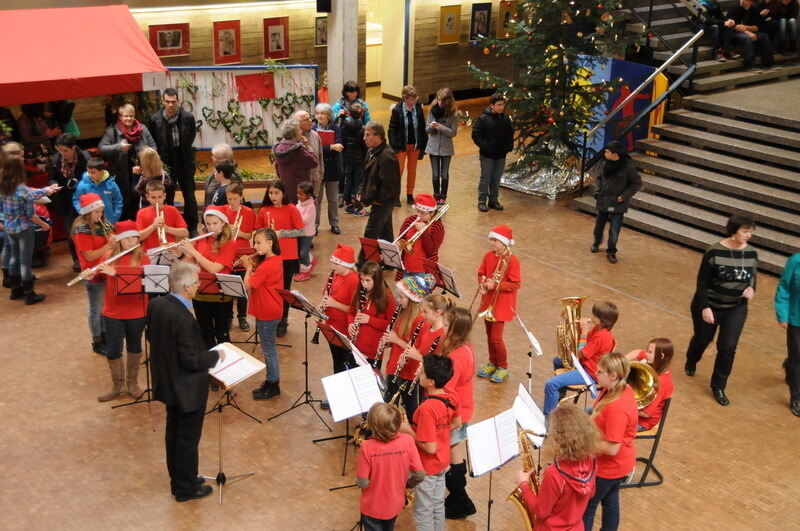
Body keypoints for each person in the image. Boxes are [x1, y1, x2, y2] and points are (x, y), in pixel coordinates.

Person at [147, 261, 220, 502]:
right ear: (187, 287)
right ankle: (186, 489)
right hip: (187, 388)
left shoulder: (157, 304)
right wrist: (215, 355)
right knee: (187, 440)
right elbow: (191, 360)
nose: (199, 285)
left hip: (168, 383)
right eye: (197, 282)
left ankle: (181, 478)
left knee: (174, 434)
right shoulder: (184, 319)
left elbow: (152, 336)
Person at [685, 213, 758, 406]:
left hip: (736, 309)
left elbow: (751, 278)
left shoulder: (751, 253)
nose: (748, 235)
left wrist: (751, 288)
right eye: (745, 231)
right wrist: (705, 307)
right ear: (733, 231)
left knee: (728, 347)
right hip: (710, 305)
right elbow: (702, 283)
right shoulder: (714, 252)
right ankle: (692, 359)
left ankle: (718, 386)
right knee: (703, 339)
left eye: (751, 232)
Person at [399, 354, 460, 531]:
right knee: (437, 504)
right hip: (443, 461)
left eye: (422, 372)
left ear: (431, 381)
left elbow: (430, 447)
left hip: (428, 466)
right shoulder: (451, 395)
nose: (419, 374)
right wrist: (438, 432)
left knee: (423, 511)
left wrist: (407, 429)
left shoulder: (426, 409)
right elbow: (456, 423)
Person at [517, 404, 599, 531]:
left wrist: (524, 484)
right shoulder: (591, 462)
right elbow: (591, 493)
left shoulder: (554, 473)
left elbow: (541, 511)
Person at [582, 353, 638, 531]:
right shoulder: (616, 388)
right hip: (619, 464)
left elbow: (613, 448)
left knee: (587, 508)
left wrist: (581, 443)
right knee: (611, 502)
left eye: (600, 372)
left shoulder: (617, 408)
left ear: (613, 375)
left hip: (610, 466)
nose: (595, 374)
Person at [96, 220, 149, 402]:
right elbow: (100, 277)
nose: (133, 241)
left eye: (135, 237)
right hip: (112, 312)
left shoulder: (143, 257)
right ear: (120, 240)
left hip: (136, 311)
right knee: (113, 349)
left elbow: (144, 283)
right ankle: (116, 386)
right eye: (128, 238)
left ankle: (132, 383)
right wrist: (92, 275)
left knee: (134, 346)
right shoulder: (108, 256)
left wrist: (116, 274)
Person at [356, 402, 425, 531]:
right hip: (394, 503)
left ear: (372, 425)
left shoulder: (367, 447)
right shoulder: (408, 441)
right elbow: (420, 474)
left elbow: (362, 482)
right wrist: (406, 485)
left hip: (372, 506)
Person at [543, 301, 619, 416]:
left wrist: (583, 332)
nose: (591, 317)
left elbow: (582, 353)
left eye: (594, 315)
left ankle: (548, 418)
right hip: (585, 365)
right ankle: (559, 396)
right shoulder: (598, 329)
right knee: (558, 361)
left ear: (603, 320)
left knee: (551, 384)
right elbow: (583, 341)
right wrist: (576, 328)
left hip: (589, 373)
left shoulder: (602, 337)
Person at [0, 155, 59, 304]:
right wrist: (43, 224)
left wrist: (46, 190)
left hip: (9, 228)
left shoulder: (3, 187)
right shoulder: (21, 189)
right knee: (25, 261)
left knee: (14, 257)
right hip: (24, 229)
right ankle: (29, 293)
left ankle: (15, 290)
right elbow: (30, 209)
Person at [438, 306, 477, 520]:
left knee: (451, 453)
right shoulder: (466, 347)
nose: (442, 329)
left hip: (455, 413)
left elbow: (448, 390)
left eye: (445, 326)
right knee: (454, 450)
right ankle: (458, 497)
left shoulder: (456, 356)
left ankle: (461, 499)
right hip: (464, 408)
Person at [383, 273, 437, 420]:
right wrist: (388, 341)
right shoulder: (402, 312)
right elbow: (396, 338)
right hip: (394, 365)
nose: (398, 300)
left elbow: (417, 350)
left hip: (409, 371)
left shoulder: (421, 320)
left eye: (401, 297)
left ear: (413, 300)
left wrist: (396, 339)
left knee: (410, 407)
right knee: (388, 403)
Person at [181, 208, 237, 348]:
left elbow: (214, 269)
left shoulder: (230, 243)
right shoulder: (201, 240)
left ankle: (226, 365)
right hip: (200, 293)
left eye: (215, 223)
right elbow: (188, 262)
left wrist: (193, 251)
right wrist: (178, 254)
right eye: (208, 223)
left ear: (223, 223)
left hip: (220, 295)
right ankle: (210, 365)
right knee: (204, 333)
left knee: (222, 334)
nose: (211, 227)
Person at [256, 180, 305, 337]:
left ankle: (283, 320)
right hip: (269, 257)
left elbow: (301, 231)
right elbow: (258, 231)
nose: (273, 196)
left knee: (284, 291)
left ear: (283, 193)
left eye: (276, 193)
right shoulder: (264, 210)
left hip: (287, 257)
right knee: (268, 289)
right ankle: (270, 319)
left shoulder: (291, 209)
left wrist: (281, 233)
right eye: (270, 193)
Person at [475, 225, 521, 384]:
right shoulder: (488, 256)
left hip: (501, 303)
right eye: (491, 239)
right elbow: (481, 273)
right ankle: (492, 362)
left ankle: (502, 366)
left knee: (496, 338)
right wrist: (482, 283)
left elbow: (515, 284)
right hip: (488, 299)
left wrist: (496, 285)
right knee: (489, 335)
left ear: (504, 243)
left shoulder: (512, 260)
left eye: (495, 240)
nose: (492, 243)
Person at [242, 228, 283, 401]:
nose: (255, 246)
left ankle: (273, 383)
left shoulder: (268, 265)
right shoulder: (273, 259)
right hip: (268, 308)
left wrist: (248, 268)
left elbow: (248, 285)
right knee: (268, 348)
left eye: (258, 243)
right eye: (254, 242)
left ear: (270, 243)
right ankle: (270, 380)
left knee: (268, 350)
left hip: (267, 311)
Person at [72, 193, 116, 354]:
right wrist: (108, 246)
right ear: (87, 212)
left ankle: (105, 336)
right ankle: (97, 341)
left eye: (101, 211)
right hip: (92, 274)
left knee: (105, 307)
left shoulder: (103, 224)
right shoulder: (81, 230)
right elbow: (89, 256)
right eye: (96, 212)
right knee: (96, 309)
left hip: (105, 270)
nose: (100, 215)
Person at [99, 103, 157, 221]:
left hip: (141, 173)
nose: (129, 119)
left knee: (141, 201)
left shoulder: (143, 129)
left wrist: (146, 155)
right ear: (120, 117)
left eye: (131, 116)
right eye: (126, 116)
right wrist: (118, 147)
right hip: (121, 175)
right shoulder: (112, 131)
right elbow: (102, 148)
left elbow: (154, 147)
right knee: (124, 202)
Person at [590, 141, 641, 264]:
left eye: (607, 152)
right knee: (598, 227)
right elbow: (599, 179)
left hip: (618, 204)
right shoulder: (604, 164)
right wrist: (597, 192)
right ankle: (596, 243)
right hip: (603, 201)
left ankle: (611, 251)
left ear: (615, 154)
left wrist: (624, 196)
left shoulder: (628, 168)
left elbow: (636, 183)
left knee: (614, 231)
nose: (605, 154)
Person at [358, 122, 400, 265]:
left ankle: (361, 264)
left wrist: (379, 200)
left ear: (378, 137)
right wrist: (361, 191)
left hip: (385, 200)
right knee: (385, 231)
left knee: (371, 233)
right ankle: (390, 262)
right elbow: (367, 175)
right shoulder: (371, 151)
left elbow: (389, 185)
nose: (364, 138)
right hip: (380, 198)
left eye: (368, 135)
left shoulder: (387, 156)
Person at [49, 133, 90, 271]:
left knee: (87, 228)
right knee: (72, 231)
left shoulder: (84, 158)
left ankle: (90, 257)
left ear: (73, 148)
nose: (62, 153)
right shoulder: (56, 160)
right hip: (65, 200)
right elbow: (52, 177)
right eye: (59, 150)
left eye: (65, 150)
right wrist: (53, 184)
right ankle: (77, 259)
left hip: (83, 198)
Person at [347, 261, 396, 370]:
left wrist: (369, 319)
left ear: (377, 280)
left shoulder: (387, 298)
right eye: (362, 279)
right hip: (355, 346)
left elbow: (391, 325)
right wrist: (350, 323)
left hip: (373, 351)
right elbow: (351, 312)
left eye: (368, 280)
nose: (364, 284)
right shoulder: (358, 292)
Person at [321, 244, 361, 374]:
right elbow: (326, 294)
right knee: (336, 359)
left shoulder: (354, 280)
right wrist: (323, 304)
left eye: (336, 264)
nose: (333, 267)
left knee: (344, 362)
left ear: (346, 265)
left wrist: (333, 303)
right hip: (331, 325)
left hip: (344, 329)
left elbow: (355, 310)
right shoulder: (334, 275)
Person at [221, 182, 256, 331]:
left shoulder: (248, 212)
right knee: (228, 288)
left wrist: (238, 232)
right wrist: (227, 229)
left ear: (241, 197)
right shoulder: (221, 211)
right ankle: (228, 317)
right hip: (226, 253)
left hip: (242, 254)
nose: (232, 202)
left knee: (242, 289)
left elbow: (249, 235)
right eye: (229, 199)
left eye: (235, 199)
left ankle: (242, 317)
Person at [471, 93, 513, 212]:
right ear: (492, 105)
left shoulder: (505, 119)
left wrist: (508, 146)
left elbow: (510, 133)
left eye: (502, 105)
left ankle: (493, 200)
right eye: (498, 105)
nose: (501, 107)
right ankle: (482, 201)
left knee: (496, 178)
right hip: (487, 155)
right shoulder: (483, 119)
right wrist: (485, 146)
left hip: (501, 154)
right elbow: (475, 134)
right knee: (486, 178)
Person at [388, 85, 428, 205]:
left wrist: (423, 145)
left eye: (415, 98)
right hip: (401, 146)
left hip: (415, 146)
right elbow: (392, 129)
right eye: (411, 99)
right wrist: (394, 146)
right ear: (405, 98)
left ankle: (410, 194)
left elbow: (422, 128)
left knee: (412, 171)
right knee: (398, 171)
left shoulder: (419, 109)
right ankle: (396, 196)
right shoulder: (397, 110)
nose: (413, 101)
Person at [626, 337, 675, 430]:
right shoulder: (653, 361)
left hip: (641, 422)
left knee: (606, 424)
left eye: (650, 352)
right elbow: (637, 352)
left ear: (661, 356)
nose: (646, 354)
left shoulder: (663, 383)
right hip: (632, 412)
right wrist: (622, 360)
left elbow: (646, 414)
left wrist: (622, 405)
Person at [395, 194, 445, 280]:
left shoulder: (437, 227)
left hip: (423, 271)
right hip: (406, 266)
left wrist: (423, 232)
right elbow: (401, 238)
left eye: (423, 213)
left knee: (418, 293)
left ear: (432, 213)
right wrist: (400, 243)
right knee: (403, 292)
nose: (419, 215)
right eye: (418, 211)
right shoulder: (409, 220)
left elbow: (431, 251)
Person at [775, 253, 800, 417]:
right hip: (796, 318)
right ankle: (797, 398)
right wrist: (782, 314)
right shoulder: (796, 261)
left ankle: (789, 365)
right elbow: (784, 287)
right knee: (797, 357)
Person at [312, 103, 343, 234]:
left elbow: (339, 147)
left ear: (329, 116)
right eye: (318, 113)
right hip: (317, 169)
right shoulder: (312, 129)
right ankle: (314, 225)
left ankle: (334, 223)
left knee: (333, 199)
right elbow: (313, 150)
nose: (320, 116)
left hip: (332, 168)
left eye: (323, 113)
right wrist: (330, 147)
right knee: (316, 199)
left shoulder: (336, 128)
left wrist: (326, 149)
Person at [273, 119, 318, 205]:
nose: (301, 131)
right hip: (302, 191)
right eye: (299, 129)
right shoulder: (300, 150)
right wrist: (307, 147)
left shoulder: (278, 148)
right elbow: (314, 162)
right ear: (294, 134)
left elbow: (277, 168)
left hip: (286, 189)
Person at [425, 88, 458, 204]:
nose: (440, 103)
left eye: (443, 101)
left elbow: (453, 132)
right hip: (433, 147)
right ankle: (436, 195)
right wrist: (432, 127)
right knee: (435, 174)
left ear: (448, 101)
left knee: (444, 174)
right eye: (438, 100)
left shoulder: (453, 114)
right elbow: (426, 129)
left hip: (446, 148)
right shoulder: (431, 111)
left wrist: (441, 127)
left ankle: (443, 196)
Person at [135, 180, 189, 252]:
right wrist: (153, 226)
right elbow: (138, 238)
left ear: (164, 196)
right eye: (153, 197)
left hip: (170, 251)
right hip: (149, 253)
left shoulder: (173, 210)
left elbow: (185, 233)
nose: (157, 200)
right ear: (147, 197)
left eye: (160, 197)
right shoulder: (141, 213)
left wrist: (167, 228)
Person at [724, 0, 775, 71]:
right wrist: (748, 32)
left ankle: (768, 64)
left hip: (747, 32)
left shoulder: (754, 10)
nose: (742, 1)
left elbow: (756, 27)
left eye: (746, 0)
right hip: (734, 33)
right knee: (747, 38)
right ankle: (749, 65)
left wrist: (745, 27)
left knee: (764, 36)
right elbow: (733, 26)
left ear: (751, 2)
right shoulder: (734, 8)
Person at [72, 159, 123, 225]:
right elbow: (76, 199)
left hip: (108, 221)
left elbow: (118, 200)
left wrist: (115, 216)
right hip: (89, 222)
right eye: (88, 172)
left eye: (93, 173)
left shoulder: (111, 184)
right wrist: (82, 212)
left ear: (101, 172)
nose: (90, 175)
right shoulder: (83, 184)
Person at [341, 102, 367, 214]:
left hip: (347, 158)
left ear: (349, 114)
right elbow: (364, 146)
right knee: (359, 182)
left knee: (348, 180)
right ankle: (358, 206)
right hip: (360, 159)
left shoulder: (344, 125)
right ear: (361, 114)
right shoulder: (363, 128)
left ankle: (349, 204)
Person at [204, 144, 240, 214]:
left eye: (214, 156)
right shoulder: (217, 170)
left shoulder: (231, 176)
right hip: (212, 214)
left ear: (221, 159)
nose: (212, 158)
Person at [294, 181, 316, 282]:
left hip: (307, 234)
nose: (298, 196)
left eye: (301, 194)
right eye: (297, 193)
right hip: (300, 232)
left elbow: (304, 221)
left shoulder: (311, 206)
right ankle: (309, 260)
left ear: (308, 195)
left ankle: (305, 271)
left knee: (303, 252)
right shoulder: (300, 203)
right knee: (300, 250)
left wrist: (296, 213)